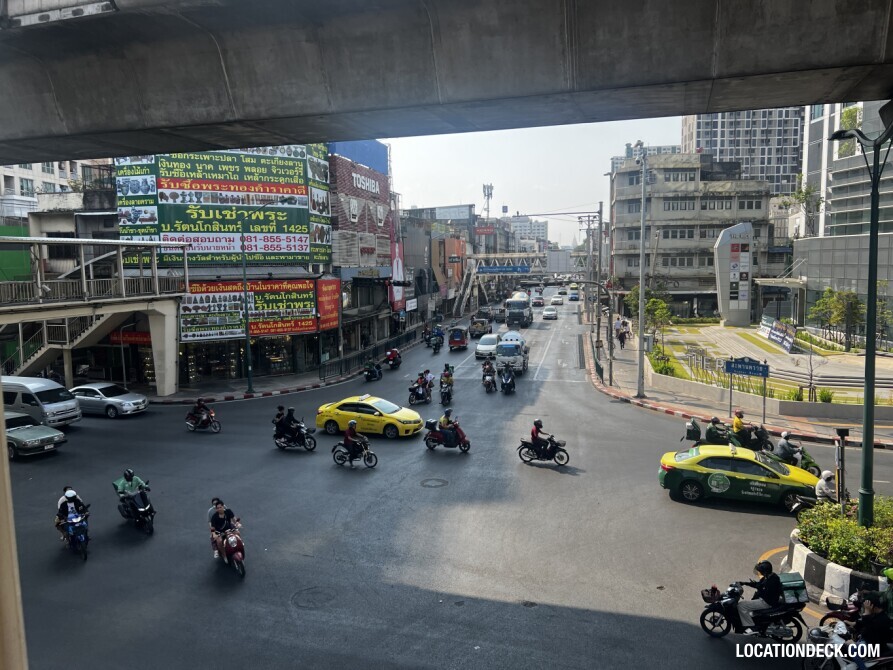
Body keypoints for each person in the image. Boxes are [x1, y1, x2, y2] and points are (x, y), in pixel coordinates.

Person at [737, 560, 782, 635]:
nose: (760, 572)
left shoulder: (772, 580)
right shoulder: (769, 576)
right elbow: (759, 584)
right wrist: (744, 583)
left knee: (741, 606)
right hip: (766, 600)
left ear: (765, 571)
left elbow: (762, 588)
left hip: (766, 602)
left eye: (761, 571)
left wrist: (759, 589)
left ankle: (751, 627)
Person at [851, 592, 892, 669]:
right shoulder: (875, 615)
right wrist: (852, 624)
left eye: (867, 607)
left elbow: (872, 635)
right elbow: (864, 624)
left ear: (873, 607)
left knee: (852, 649)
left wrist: (867, 614)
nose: (866, 609)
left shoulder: (883, 619)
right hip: (867, 641)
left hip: (874, 647)